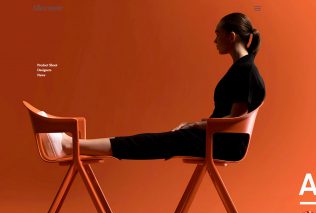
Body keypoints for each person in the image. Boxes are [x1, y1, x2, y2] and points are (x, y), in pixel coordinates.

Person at [46, 12, 266, 161]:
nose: (214, 40)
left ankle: (70, 145)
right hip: (214, 139)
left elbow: (234, 120)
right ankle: (71, 145)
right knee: (155, 141)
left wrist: (198, 126)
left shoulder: (244, 70)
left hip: (221, 144)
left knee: (152, 142)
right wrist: (196, 124)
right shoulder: (242, 68)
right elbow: (230, 117)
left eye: (217, 34)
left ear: (231, 36)